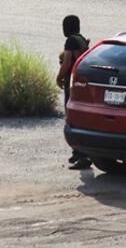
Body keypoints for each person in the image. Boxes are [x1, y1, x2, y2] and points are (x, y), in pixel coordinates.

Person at [56, 15, 91, 169]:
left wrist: (59, 77)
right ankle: (78, 153)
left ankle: (81, 155)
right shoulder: (82, 39)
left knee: (72, 117)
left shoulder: (70, 40)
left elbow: (68, 62)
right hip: (81, 82)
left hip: (72, 82)